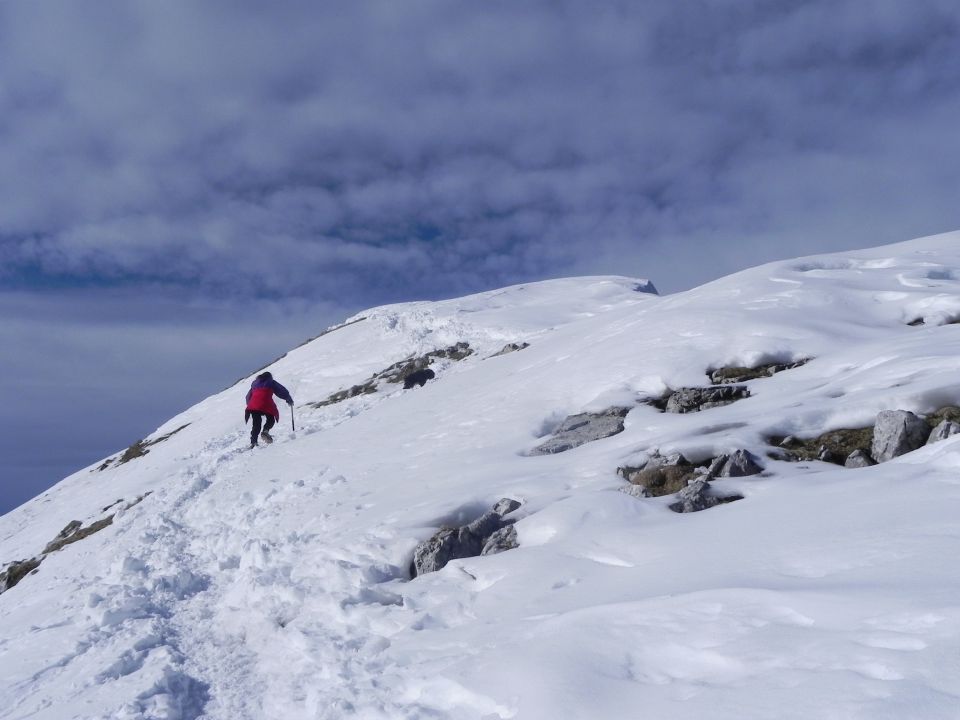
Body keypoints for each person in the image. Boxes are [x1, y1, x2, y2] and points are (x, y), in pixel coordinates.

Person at [245, 371, 293, 448]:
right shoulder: (271, 382)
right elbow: (281, 390)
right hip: (266, 404)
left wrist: (251, 405)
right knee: (271, 419)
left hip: (253, 405)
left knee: (256, 424)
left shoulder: (254, 384)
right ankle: (265, 431)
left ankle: (253, 442)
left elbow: (248, 396)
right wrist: (288, 399)